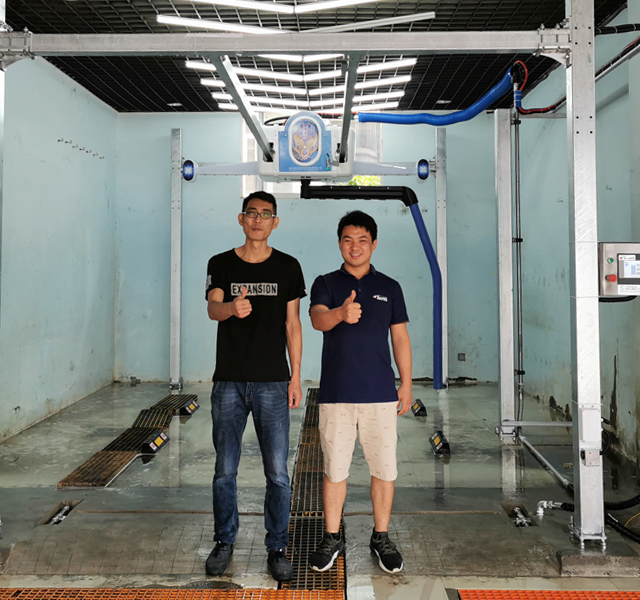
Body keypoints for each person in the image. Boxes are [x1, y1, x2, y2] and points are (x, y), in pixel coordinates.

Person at [205, 191, 306, 582]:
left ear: (275, 222)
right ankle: (224, 541)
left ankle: (277, 546)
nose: (258, 219)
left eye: (266, 214)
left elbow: (293, 324)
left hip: (272, 383)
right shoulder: (221, 263)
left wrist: (295, 376)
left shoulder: (288, 267)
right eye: (252, 213)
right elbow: (213, 308)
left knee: (277, 472)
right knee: (224, 470)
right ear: (241, 219)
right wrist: (232, 308)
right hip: (228, 382)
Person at [307, 210, 412, 575]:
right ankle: (332, 537)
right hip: (337, 393)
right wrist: (340, 313)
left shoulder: (390, 287)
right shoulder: (325, 283)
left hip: (380, 394)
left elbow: (400, 337)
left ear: (374, 244)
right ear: (340, 244)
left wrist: (406, 383)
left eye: (362, 240)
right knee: (334, 470)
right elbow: (317, 319)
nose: (355, 246)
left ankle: (380, 537)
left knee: (384, 469)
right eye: (348, 240)